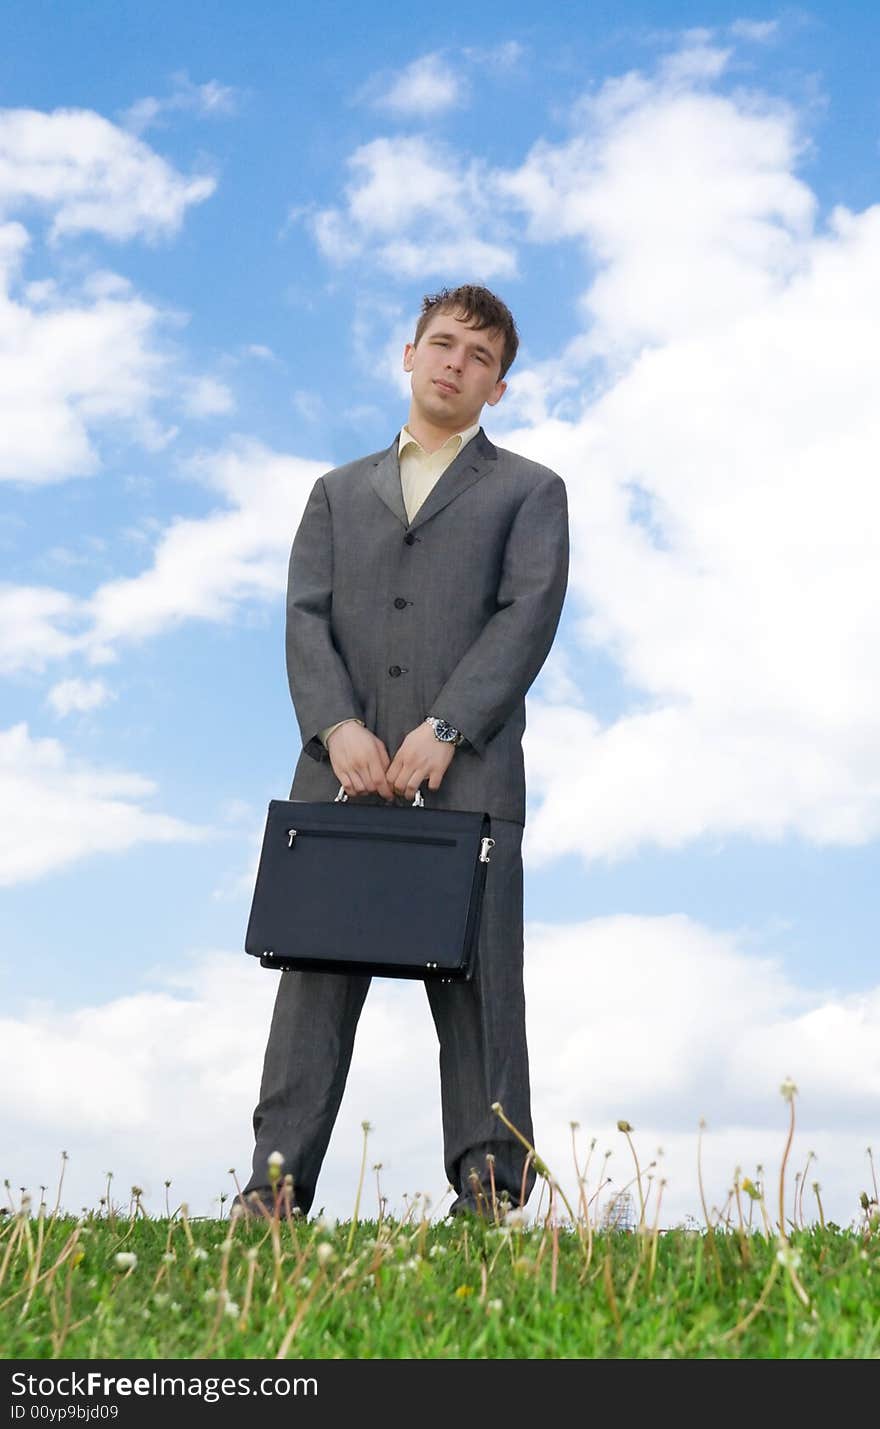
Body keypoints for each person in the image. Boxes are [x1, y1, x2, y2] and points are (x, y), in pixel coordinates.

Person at [237, 284, 569, 1219]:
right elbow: (304, 618)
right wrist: (339, 726)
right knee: (313, 984)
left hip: (469, 777)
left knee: (479, 987)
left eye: (479, 358)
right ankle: (273, 1189)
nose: (456, 364)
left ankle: (489, 1194)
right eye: (444, 344)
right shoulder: (335, 492)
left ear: (498, 388)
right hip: (339, 778)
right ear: (411, 353)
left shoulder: (531, 491)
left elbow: (526, 618)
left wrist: (447, 727)